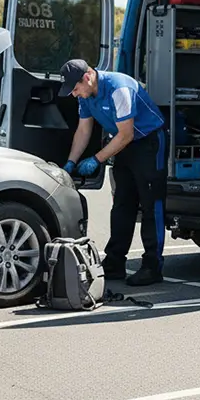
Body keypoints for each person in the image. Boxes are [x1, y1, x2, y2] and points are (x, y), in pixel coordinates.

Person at [58, 59, 167, 286]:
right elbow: (83, 129)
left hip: (147, 142)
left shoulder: (119, 88)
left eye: (75, 89)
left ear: (87, 77)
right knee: (122, 204)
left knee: (150, 204)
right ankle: (115, 262)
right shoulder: (87, 96)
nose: (74, 94)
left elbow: (126, 134)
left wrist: (97, 159)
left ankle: (152, 265)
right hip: (123, 144)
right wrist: (70, 162)